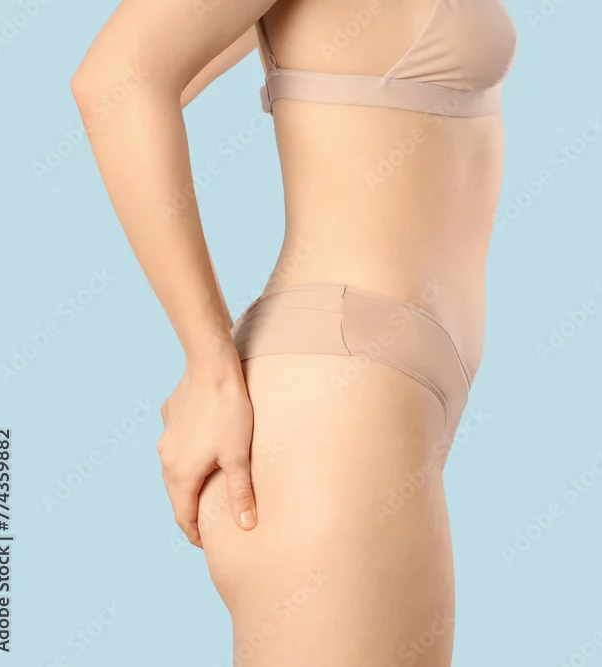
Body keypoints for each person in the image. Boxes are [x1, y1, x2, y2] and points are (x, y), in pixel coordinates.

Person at [71, 0, 516, 664]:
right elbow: (116, 79)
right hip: (339, 406)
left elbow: (180, 65)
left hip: (375, 395)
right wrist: (209, 364)